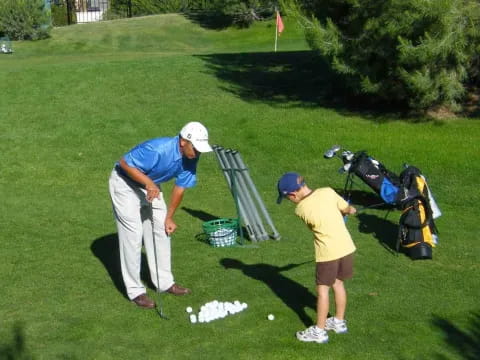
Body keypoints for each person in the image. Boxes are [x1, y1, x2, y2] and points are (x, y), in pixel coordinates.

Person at [109, 122, 213, 309]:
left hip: (151, 186)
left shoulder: (191, 157)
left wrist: (169, 217)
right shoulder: (157, 149)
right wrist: (148, 183)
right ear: (183, 141)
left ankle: (164, 282)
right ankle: (136, 291)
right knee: (133, 235)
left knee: (162, 230)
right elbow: (124, 163)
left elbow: (180, 188)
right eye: (195, 148)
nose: (197, 153)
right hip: (124, 184)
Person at [277, 172, 357, 343]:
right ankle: (339, 321)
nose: (290, 202)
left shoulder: (301, 209)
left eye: (288, 198)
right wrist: (350, 210)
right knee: (338, 283)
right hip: (346, 247)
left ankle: (319, 332)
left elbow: (317, 222)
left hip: (327, 253)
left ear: (293, 194)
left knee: (322, 291)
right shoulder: (328, 191)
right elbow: (345, 209)